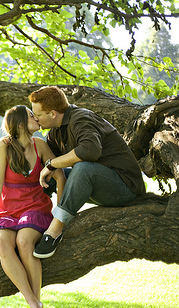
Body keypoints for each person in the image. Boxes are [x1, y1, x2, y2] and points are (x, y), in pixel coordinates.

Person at [29, 86, 146, 259]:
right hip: (96, 185)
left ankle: (55, 231)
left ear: (53, 113)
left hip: (125, 188)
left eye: (38, 116)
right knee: (45, 175)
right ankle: (34, 219)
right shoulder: (56, 132)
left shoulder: (81, 118)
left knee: (84, 168)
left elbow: (90, 150)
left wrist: (52, 163)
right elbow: (43, 162)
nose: (36, 120)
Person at [0, 105, 65, 308]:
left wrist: (61, 211)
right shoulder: (3, 146)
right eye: (31, 116)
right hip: (8, 210)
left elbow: (59, 174)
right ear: (20, 124)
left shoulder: (40, 145)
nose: (36, 118)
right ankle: (35, 306)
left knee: (24, 241)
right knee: (1, 243)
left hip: (35, 207)